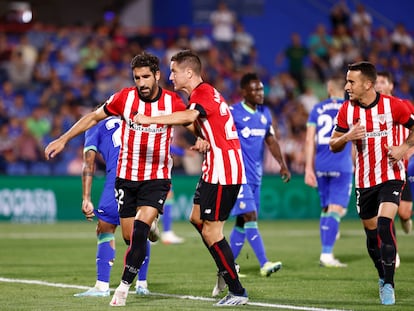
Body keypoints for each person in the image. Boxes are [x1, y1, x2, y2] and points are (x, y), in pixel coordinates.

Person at [44, 52, 192, 307]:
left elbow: (191, 119)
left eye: (146, 77)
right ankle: (150, 232)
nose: (142, 83)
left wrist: (202, 137)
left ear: (157, 75)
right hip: (126, 177)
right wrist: (63, 138)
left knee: (140, 227)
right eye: (137, 78)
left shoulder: (172, 101)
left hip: (156, 176)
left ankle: (125, 286)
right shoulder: (124, 98)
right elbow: (92, 117)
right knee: (130, 237)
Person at [135, 50, 249, 306]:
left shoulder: (203, 92)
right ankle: (225, 265)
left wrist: (150, 120)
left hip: (224, 170)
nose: (170, 76)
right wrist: (205, 139)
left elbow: (189, 116)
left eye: (174, 71)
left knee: (212, 231)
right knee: (196, 218)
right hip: (214, 166)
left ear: (189, 72)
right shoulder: (205, 94)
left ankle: (237, 289)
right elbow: (208, 124)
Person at [329, 61, 414, 305]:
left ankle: (389, 283)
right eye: (346, 81)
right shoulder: (347, 110)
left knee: (386, 223)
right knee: (372, 234)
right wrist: (348, 136)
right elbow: (333, 146)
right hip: (365, 180)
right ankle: (381, 274)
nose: (346, 86)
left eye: (351, 81)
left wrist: (404, 148)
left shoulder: (394, 106)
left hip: (391, 174)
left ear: (368, 84)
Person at [73, 116, 154, 298]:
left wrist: (86, 197)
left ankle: (102, 286)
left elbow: (89, 162)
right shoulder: (130, 119)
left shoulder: (93, 124)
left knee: (105, 228)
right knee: (138, 229)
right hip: (142, 173)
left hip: (119, 174)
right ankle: (142, 283)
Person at [222, 72, 290, 286]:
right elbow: (218, 135)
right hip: (238, 175)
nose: (260, 93)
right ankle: (264, 263)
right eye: (255, 90)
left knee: (243, 222)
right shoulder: (233, 113)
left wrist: (282, 164)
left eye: (261, 89)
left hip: (255, 176)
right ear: (244, 92)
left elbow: (271, 141)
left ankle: (227, 266)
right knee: (250, 215)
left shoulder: (265, 114)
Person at [304, 76, 353, 268]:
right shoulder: (350, 108)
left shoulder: (317, 108)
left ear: (329, 88)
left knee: (326, 209)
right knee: (336, 209)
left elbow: (309, 140)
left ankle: (326, 250)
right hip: (341, 164)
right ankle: (327, 254)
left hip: (321, 165)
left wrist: (308, 168)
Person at [375, 71, 413, 235]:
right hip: (380, 168)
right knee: (384, 214)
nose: (378, 85)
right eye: (376, 82)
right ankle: (392, 254)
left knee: (403, 213)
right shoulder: (369, 109)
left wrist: (408, 149)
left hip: (402, 167)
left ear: (391, 85)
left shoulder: (404, 104)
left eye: (383, 82)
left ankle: (406, 219)